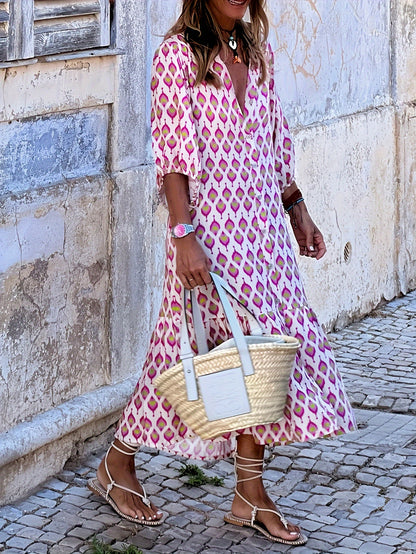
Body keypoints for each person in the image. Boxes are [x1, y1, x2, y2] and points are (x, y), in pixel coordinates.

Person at [88, 0, 356, 545]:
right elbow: (173, 154)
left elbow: (275, 137)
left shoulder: (256, 51)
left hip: (263, 231)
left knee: (263, 357)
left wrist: (297, 208)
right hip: (209, 235)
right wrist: (185, 237)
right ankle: (118, 463)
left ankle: (248, 495)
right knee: (187, 355)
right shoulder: (175, 55)